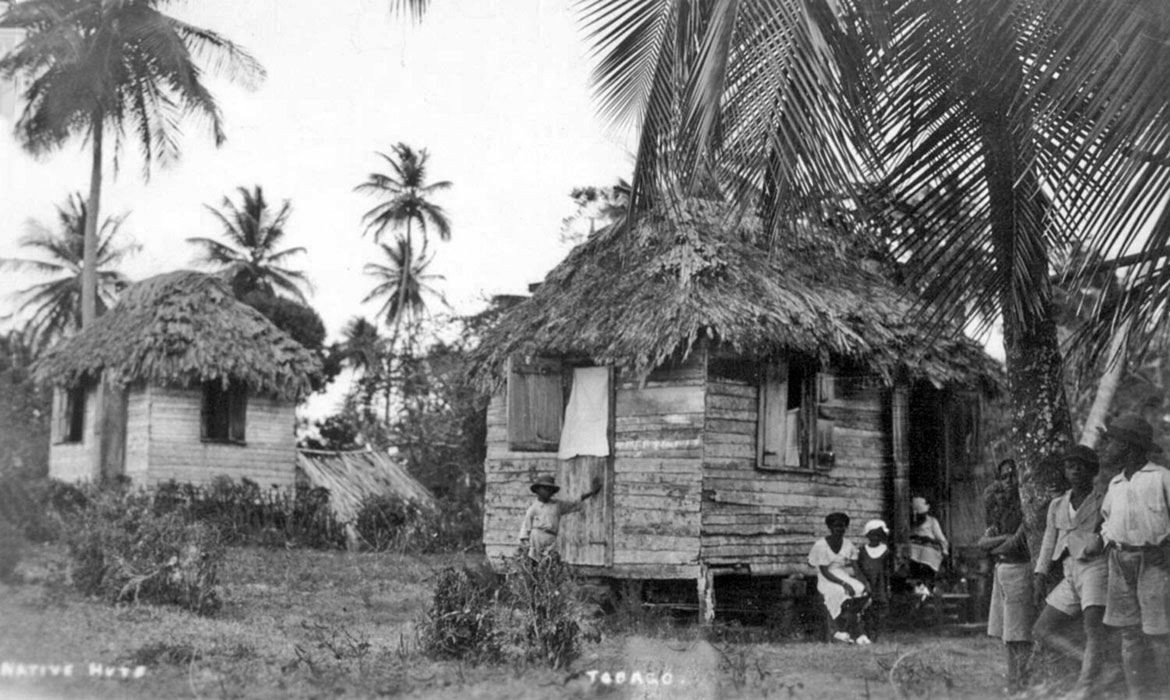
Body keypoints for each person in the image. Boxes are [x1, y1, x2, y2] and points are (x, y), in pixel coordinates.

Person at [1030, 445, 1110, 699]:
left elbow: (1111, 533)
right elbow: (1048, 541)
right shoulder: (1058, 504)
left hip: (1095, 567)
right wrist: (1040, 574)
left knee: (1093, 629)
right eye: (1069, 465)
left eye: (1081, 465)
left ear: (1092, 471)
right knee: (1042, 629)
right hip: (1068, 572)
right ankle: (1100, 666)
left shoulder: (1103, 499)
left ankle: (1086, 685)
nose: (1074, 470)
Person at [1099, 414, 1170, 699]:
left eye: (1112, 442)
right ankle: (1137, 695)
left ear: (1128, 446)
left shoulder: (1161, 477)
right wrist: (1108, 541)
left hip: (1153, 562)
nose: (1106, 449)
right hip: (1120, 562)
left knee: (1158, 634)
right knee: (1129, 634)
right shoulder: (1115, 484)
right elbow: (1105, 520)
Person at [980, 458, 1036, 695]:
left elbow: (1015, 543)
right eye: (1004, 477)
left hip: (1019, 569)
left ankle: (1020, 683)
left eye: (1013, 476)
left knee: (1020, 633)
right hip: (1002, 571)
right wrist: (1002, 540)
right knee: (1007, 634)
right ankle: (1013, 680)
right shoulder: (999, 511)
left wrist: (999, 543)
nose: (1009, 482)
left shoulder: (1026, 509)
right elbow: (982, 543)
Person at [808, 511, 867, 644]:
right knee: (839, 592)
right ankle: (838, 630)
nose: (839, 529)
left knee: (861, 589)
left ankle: (849, 628)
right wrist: (844, 584)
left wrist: (864, 581)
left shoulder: (848, 544)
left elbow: (855, 566)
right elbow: (824, 571)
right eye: (836, 526)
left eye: (842, 526)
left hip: (841, 573)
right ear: (830, 527)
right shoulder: (821, 545)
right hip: (827, 577)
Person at [518, 475, 602, 561]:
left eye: (550, 489)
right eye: (545, 488)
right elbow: (525, 527)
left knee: (551, 562)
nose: (548, 491)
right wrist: (526, 543)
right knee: (535, 561)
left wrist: (591, 492)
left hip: (551, 538)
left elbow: (573, 502)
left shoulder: (557, 505)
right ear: (538, 490)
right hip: (537, 538)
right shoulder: (533, 509)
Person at [854, 519, 893, 645]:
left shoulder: (886, 551)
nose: (875, 537)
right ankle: (868, 633)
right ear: (867, 535)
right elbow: (857, 569)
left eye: (878, 535)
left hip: (880, 583)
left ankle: (879, 634)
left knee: (881, 608)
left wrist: (888, 586)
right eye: (873, 534)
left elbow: (887, 570)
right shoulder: (862, 551)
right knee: (867, 608)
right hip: (866, 583)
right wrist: (864, 583)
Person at [907, 495, 949, 598]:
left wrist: (944, 550)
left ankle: (927, 585)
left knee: (928, 554)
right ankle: (919, 585)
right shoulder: (910, 523)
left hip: (930, 547)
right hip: (915, 547)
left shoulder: (932, 522)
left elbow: (941, 539)